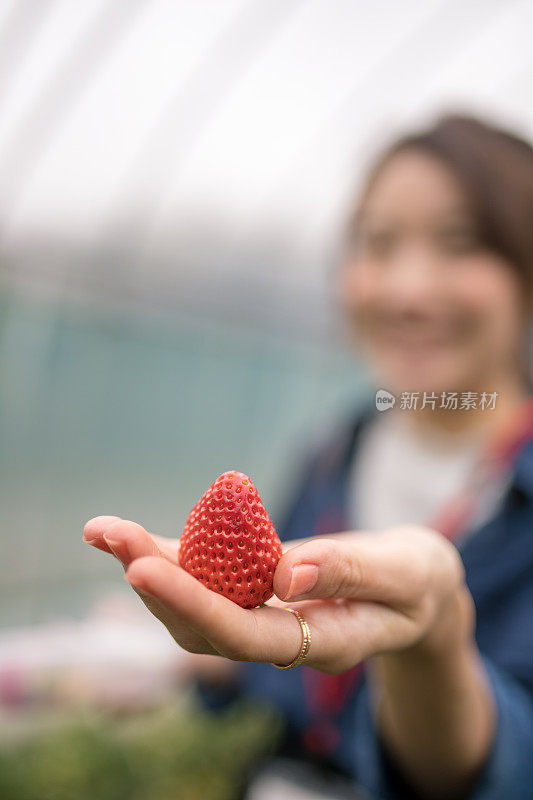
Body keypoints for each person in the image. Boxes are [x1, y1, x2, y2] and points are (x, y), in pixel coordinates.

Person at [84, 114, 533, 800]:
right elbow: (277, 650)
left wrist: (429, 643)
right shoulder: (334, 454)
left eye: (459, 243)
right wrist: (190, 660)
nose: (408, 291)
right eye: (377, 244)